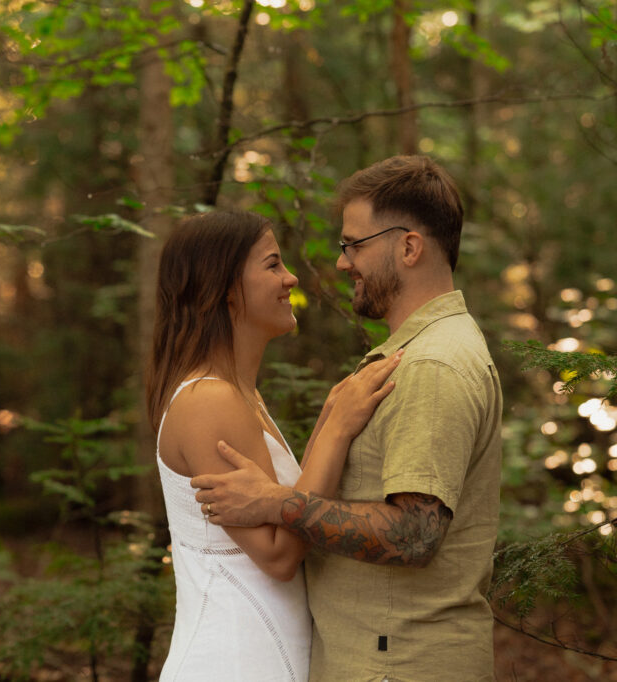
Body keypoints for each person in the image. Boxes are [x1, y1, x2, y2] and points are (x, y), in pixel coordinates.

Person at [192, 156, 503, 682]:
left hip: (400, 664)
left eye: (354, 245)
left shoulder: (431, 365)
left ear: (409, 247)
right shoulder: (421, 352)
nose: (342, 262)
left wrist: (275, 502)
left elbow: (414, 535)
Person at [146, 210, 401, 681]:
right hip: (231, 661)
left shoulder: (240, 395)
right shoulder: (207, 399)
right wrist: (337, 430)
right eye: (271, 265)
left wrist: (328, 419)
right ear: (223, 287)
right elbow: (279, 555)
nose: (291, 278)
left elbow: (287, 504)